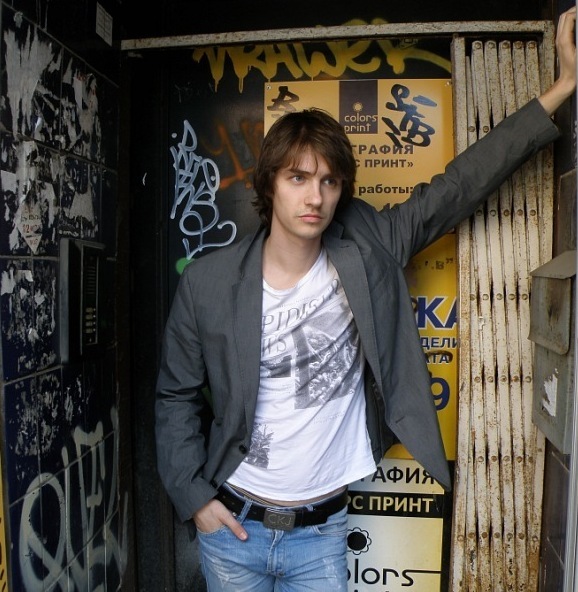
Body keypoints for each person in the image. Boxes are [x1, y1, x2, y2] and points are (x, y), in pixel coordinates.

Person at [155, 7, 576, 591]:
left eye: (329, 181)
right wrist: (194, 498)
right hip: (232, 525)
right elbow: (175, 396)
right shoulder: (209, 281)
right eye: (298, 178)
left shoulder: (369, 246)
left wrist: (562, 88)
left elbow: (458, 186)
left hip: (322, 533)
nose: (315, 197)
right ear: (269, 184)